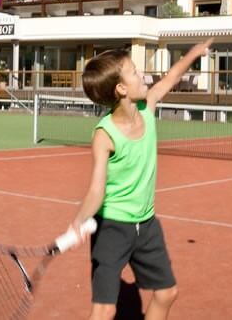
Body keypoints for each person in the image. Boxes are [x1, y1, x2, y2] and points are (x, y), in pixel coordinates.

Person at [66, 38, 212, 320]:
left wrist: (194, 53)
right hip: (112, 228)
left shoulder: (149, 106)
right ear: (121, 89)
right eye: (134, 72)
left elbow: (171, 76)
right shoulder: (104, 135)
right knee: (105, 309)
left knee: (167, 293)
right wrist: (79, 220)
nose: (142, 75)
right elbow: (97, 190)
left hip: (146, 226)